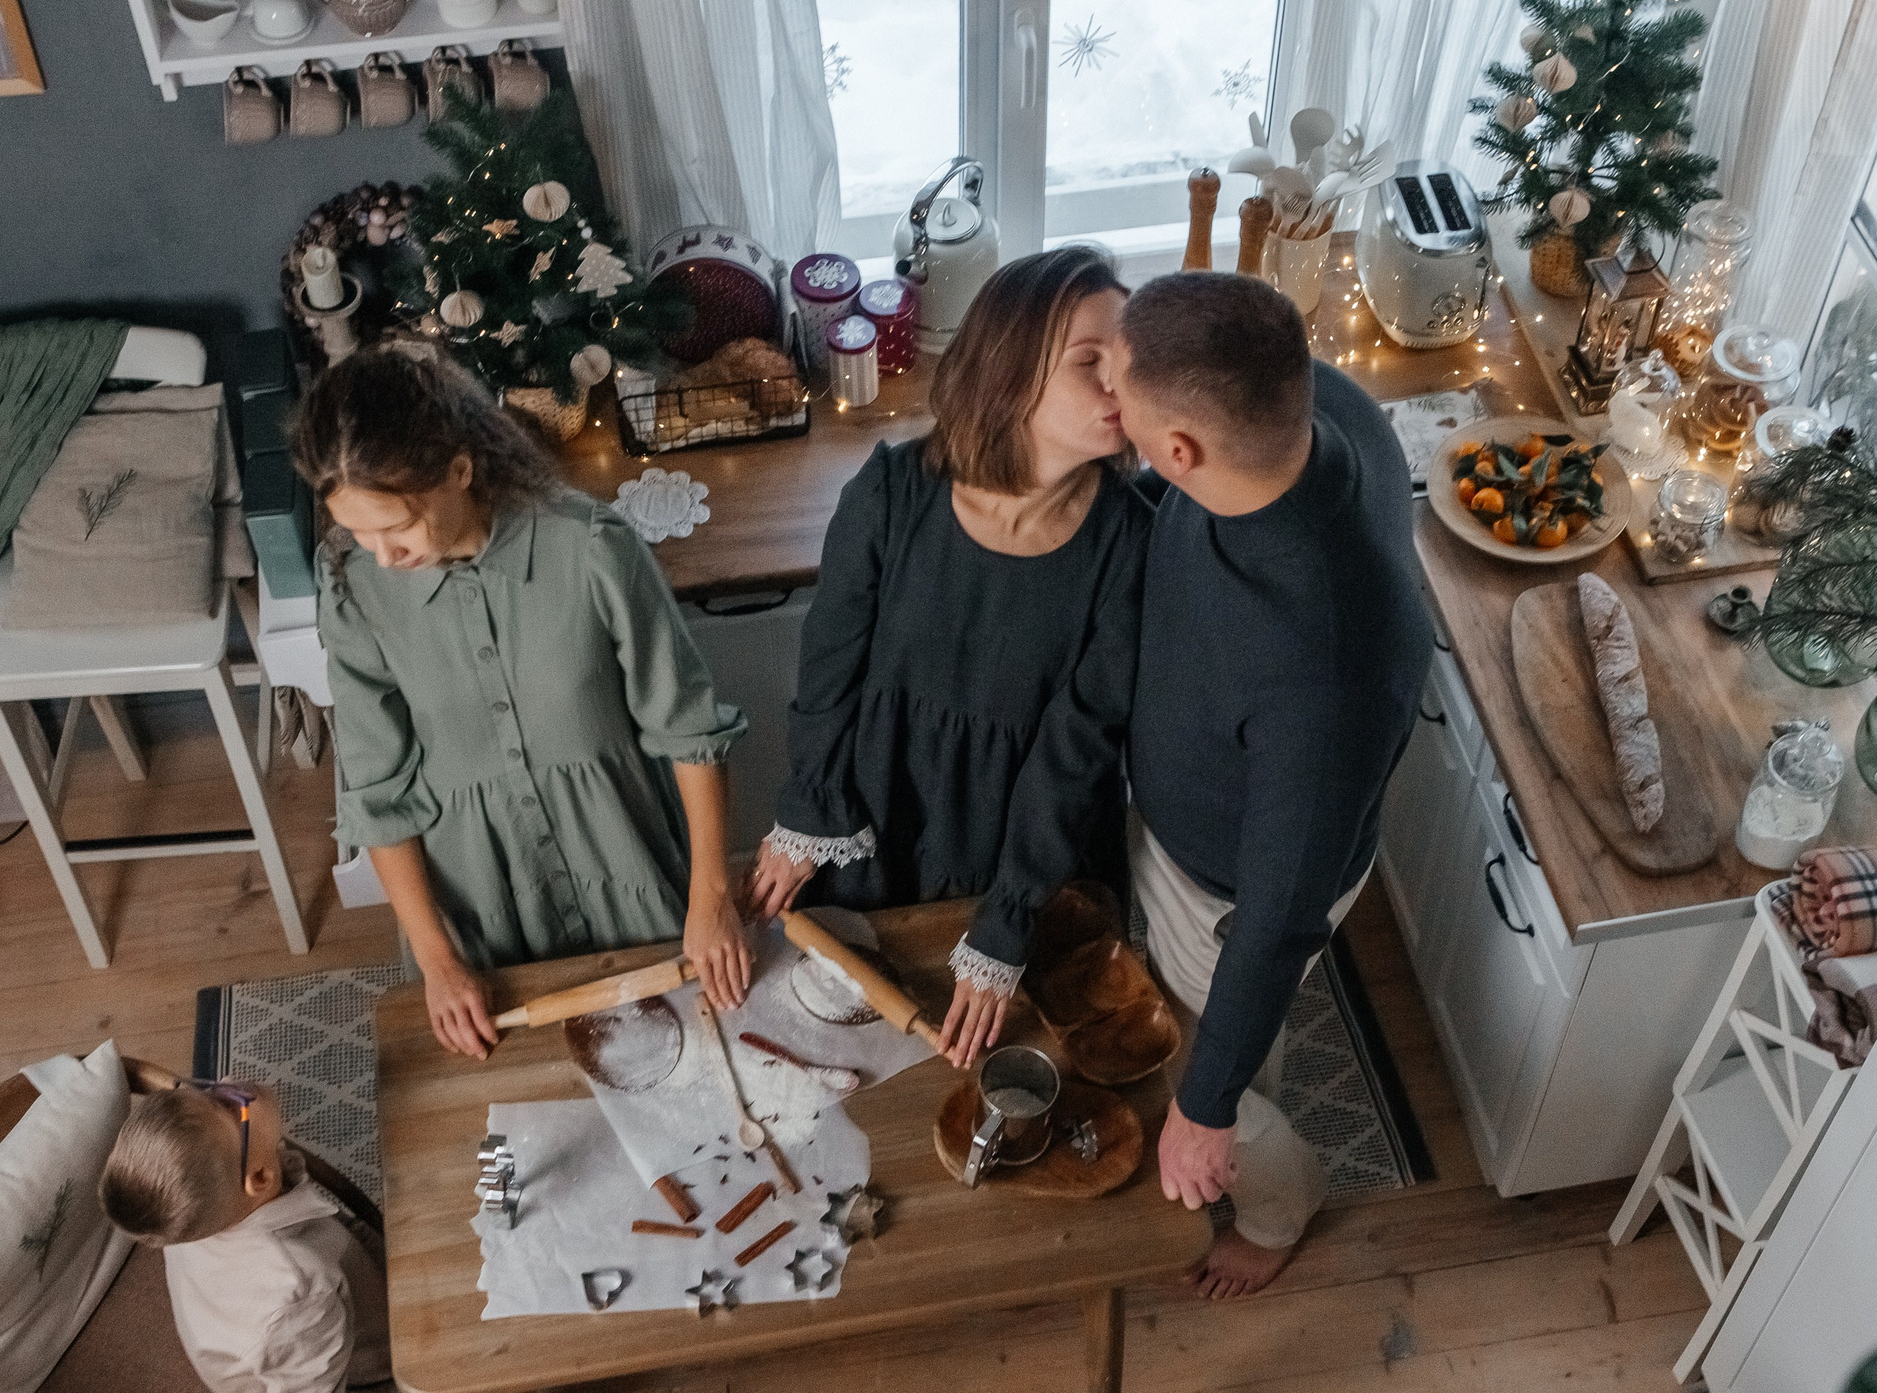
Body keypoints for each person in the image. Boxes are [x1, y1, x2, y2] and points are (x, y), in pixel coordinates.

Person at [1107, 271, 1433, 1300]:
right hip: (1184, 811)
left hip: (1230, 897)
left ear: (1181, 450)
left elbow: (1279, 913)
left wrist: (1200, 1112)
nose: (1103, 400)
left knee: (1236, 1083)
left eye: (1117, 396)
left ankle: (1277, 1212)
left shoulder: (1322, 666)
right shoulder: (1313, 409)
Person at [744, 247, 1148, 1065]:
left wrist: (1007, 924)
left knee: (1004, 1052)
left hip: (1029, 847)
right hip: (880, 809)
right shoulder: (894, 492)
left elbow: (1076, 754)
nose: (1121, 385)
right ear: (1012, 372)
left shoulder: (1133, 542)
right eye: (1088, 362)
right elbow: (828, 672)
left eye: (1129, 361)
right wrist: (807, 808)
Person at [293, 345, 754, 1059]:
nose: (383, 556)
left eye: (399, 527)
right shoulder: (355, 587)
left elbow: (689, 731)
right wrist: (439, 960)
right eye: (358, 532)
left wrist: (712, 898)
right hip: (475, 916)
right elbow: (377, 791)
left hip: (629, 872)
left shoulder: (591, 549)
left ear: (459, 468)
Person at [98, 1079, 484, 1393]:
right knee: (503, 1363)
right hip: (367, 1371)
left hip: (332, 1314)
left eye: (199, 1085)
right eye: (231, 1106)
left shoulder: (194, 1209)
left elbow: (326, 1232)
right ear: (260, 1178)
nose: (228, 1080)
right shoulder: (297, 1295)